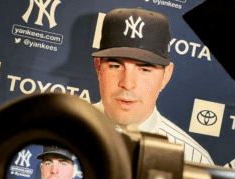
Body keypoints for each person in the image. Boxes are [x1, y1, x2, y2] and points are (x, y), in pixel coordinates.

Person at [92, 7, 214, 165]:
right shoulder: (58, 134)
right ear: (98, 68)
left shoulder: (194, 160)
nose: (127, 84)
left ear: (166, 75)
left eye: (144, 69)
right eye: (116, 66)